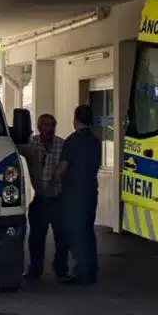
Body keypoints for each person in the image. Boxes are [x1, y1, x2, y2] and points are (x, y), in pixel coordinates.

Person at [18, 113, 68, 280]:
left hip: (58, 198)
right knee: (36, 238)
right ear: (39, 127)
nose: (50, 129)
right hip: (40, 198)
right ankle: (35, 270)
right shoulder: (32, 144)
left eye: (52, 125)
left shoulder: (62, 144)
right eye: (46, 125)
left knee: (62, 237)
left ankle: (61, 269)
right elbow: (16, 147)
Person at [58, 103, 101, 285]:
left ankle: (81, 272)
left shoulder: (72, 141)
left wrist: (54, 180)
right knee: (88, 230)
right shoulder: (95, 141)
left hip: (74, 192)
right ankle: (91, 270)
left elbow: (63, 167)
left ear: (75, 120)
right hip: (90, 190)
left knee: (77, 232)